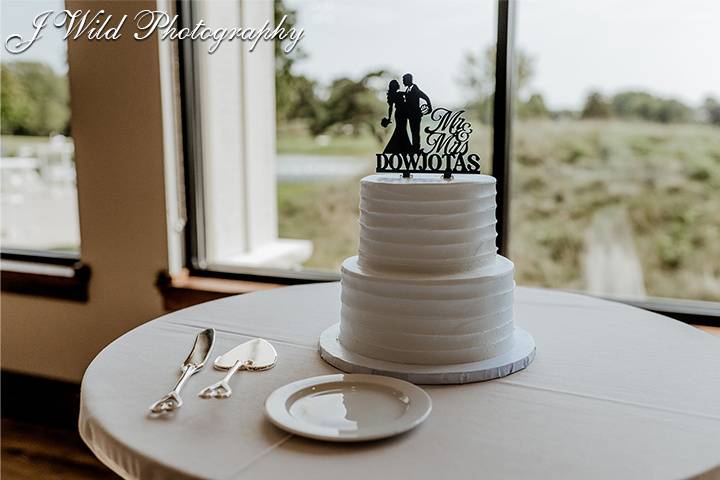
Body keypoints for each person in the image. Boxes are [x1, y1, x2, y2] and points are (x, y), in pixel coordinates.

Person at [402, 73, 432, 152]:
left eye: (404, 80)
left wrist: (429, 107)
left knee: (415, 132)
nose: (403, 82)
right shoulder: (408, 89)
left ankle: (416, 148)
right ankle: (414, 147)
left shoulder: (415, 89)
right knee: (413, 131)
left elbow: (425, 97)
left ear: (408, 80)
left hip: (415, 115)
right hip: (411, 115)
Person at [381, 79, 412, 153]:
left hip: (401, 113)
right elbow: (391, 108)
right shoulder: (399, 94)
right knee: (401, 129)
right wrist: (389, 118)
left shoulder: (394, 94)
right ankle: (405, 148)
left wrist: (389, 118)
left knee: (401, 129)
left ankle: (403, 148)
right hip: (401, 114)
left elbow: (391, 107)